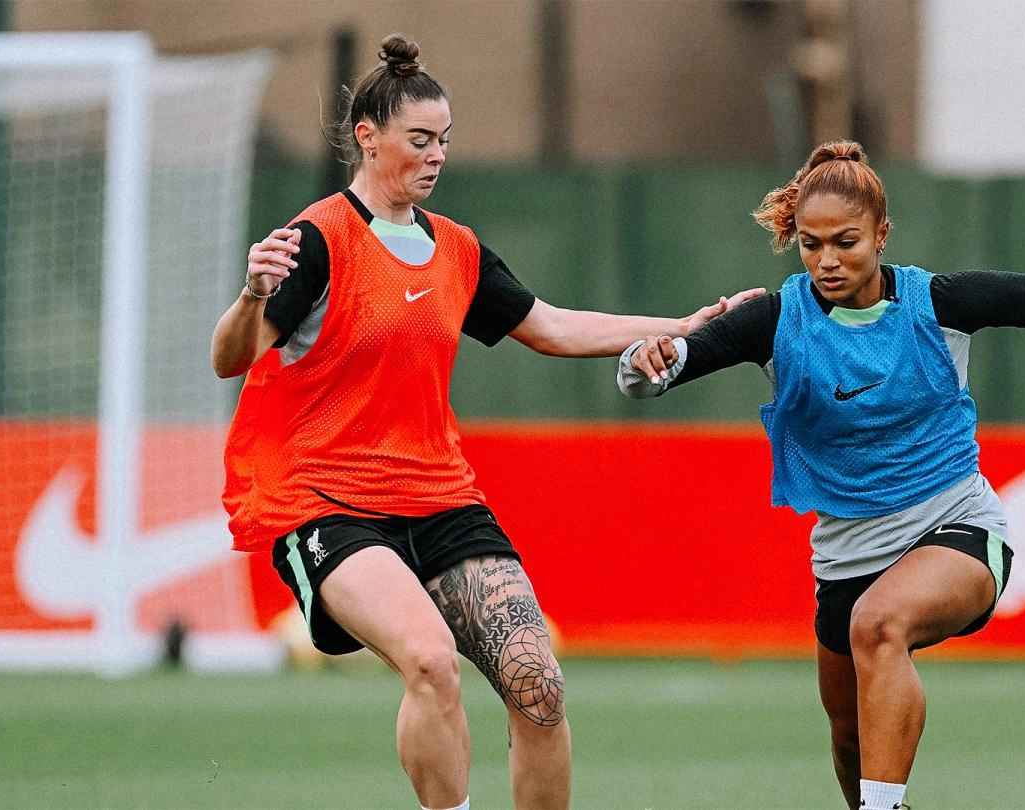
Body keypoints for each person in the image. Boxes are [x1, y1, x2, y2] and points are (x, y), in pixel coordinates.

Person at [211, 34, 761, 810]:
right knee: (432, 661)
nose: (437, 156)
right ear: (368, 137)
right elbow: (230, 360)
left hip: (440, 499)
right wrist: (249, 298)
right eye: (420, 140)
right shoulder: (316, 243)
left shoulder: (457, 250)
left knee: (538, 684)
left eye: (445, 141)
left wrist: (686, 324)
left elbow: (554, 326)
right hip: (325, 504)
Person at [618, 140, 1025, 810]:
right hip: (844, 562)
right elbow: (652, 376)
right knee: (846, 737)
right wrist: (643, 361)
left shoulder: (938, 305)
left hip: (958, 533)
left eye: (846, 241)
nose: (828, 261)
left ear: (882, 235)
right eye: (810, 245)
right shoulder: (776, 322)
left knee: (878, 624)